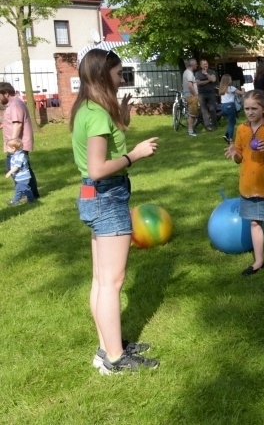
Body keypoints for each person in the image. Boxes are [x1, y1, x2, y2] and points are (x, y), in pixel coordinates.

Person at [69, 48, 160, 373]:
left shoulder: (89, 108)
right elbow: (97, 168)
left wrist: (121, 116)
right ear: (102, 74)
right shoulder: (94, 114)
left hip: (95, 196)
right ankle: (116, 359)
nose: (122, 79)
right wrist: (135, 155)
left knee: (101, 279)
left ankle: (107, 348)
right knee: (112, 281)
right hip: (105, 195)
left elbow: (102, 151)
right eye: (119, 73)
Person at [225, 90, 264, 277]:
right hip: (248, 184)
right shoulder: (242, 129)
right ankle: (259, 260)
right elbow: (239, 158)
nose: (250, 112)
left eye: (254, 108)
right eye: (246, 109)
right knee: (254, 223)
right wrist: (235, 154)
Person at [1, 82, 39, 198]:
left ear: (6, 93)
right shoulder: (12, 104)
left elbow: (17, 125)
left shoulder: (15, 105)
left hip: (17, 146)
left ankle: (26, 193)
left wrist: (12, 144)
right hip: (15, 145)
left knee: (16, 168)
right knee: (24, 168)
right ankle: (31, 194)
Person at [5, 138, 34, 205]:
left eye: (8, 148)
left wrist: (10, 172)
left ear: (13, 148)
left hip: (23, 177)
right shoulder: (15, 155)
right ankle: (15, 201)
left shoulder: (19, 156)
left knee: (26, 189)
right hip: (19, 177)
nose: (7, 149)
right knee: (18, 189)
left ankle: (31, 200)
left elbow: (17, 166)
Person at [218, 74, 244, 144]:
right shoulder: (231, 88)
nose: (231, 80)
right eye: (230, 79)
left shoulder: (222, 89)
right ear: (227, 81)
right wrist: (243, 89)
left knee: (231, 122)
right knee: (232, 123)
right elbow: (241, 93)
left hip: (223, 106)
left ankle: (226, 135)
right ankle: (230, 139)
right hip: (230, 106)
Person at [195, 58, 218, 131]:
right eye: (204, 64)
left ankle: (214, 124)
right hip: (202, 94)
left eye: (206, 64)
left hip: (211, 93)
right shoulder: (197, 73)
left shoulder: (212, 71)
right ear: (201, 65)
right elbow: (198, 83)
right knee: (204, 110)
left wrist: (206, 74)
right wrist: (209, 80)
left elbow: (214, 80)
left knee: (212, 109)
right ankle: (207, 126)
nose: (206, 65)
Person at [182, 58, 199, 136]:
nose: (197, 65)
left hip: (188, 95)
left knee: (192, 114)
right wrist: (195, 95)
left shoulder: (186, 72)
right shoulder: (189, 73)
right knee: (192, 114)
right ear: (192, 64)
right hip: (191, 96)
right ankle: (190, 131)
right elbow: (190, 85)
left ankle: (191, 129)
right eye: (195, 64)